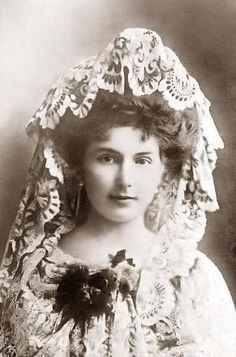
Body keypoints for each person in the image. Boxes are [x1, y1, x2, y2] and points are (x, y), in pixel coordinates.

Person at [0, 28, 235, 356]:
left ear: (163, 170)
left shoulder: (194, 280)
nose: (125, 179)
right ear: (80, 166)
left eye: (142, 160)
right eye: (107, 158)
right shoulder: (37, 272)